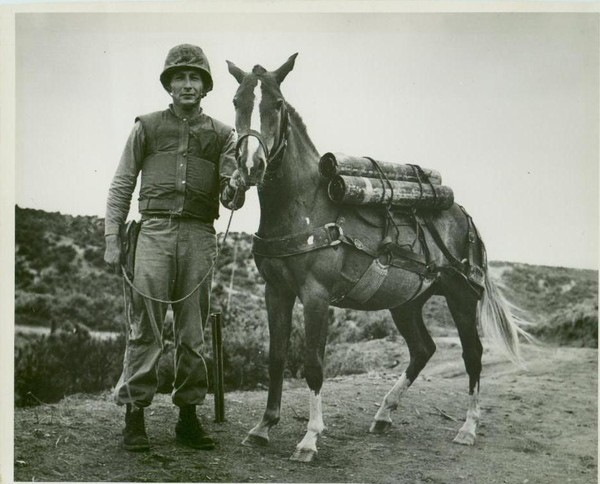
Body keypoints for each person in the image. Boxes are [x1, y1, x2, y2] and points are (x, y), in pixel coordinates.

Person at [104, 44, 245, 452]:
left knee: (191, 332)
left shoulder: (223, 136)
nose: (187, 84)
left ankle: (187, 416)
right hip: (153, 235)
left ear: (205, 87)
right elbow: (121, 186)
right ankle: (135, 416)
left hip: (200, 236)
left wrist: (238, 185)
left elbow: (230, 196)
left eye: (195, 77)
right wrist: (113, 239)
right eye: (180, 77)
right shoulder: (145, 127)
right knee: (145, 328)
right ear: (169, 84)